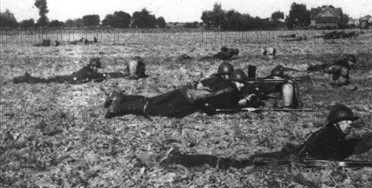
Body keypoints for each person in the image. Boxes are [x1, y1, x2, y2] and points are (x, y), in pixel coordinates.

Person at [159, 104, 372, 168]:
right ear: (340, 122)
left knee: (238, 162)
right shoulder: (330, 135)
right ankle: (179, 159)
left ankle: (180, 158)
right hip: (288, 161)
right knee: (232, 164)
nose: (350, 126)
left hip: (290, 157)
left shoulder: (331, 133)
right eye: (349, 123)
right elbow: (331, 161)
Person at [104, 69, 262, 119]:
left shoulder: (222, 82)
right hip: (188, 100)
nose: (242, 86)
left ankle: (119, 97)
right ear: (237, 82)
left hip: (184, 91)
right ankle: (118, 109)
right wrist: (243, 105)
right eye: (242, 83)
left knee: (152, 100)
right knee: (154, 109)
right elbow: (224, 105)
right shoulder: (231, 90)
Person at [12, 58, 107, 84]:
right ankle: (26, 79)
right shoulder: (87, 70)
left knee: (46, 80)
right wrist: (103, 76)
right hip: (64, 79)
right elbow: (94, 75)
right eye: (95, 67)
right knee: (45, 81)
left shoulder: (87, 69)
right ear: (92, 66)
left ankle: (25, 78)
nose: (96, 69)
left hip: (65, 78)